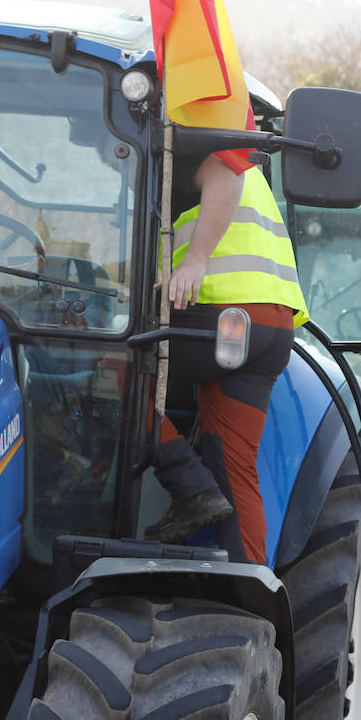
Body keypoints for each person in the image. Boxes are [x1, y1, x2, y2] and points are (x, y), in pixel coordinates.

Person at [142, 150, 308, 565]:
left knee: (111, 374)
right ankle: (249, 594)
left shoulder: (199, 139)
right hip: (272, 324)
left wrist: (195, 261)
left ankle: (188, 482)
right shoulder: (250, 164)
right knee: (236, 471)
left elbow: (221, 170)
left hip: (220, 312)